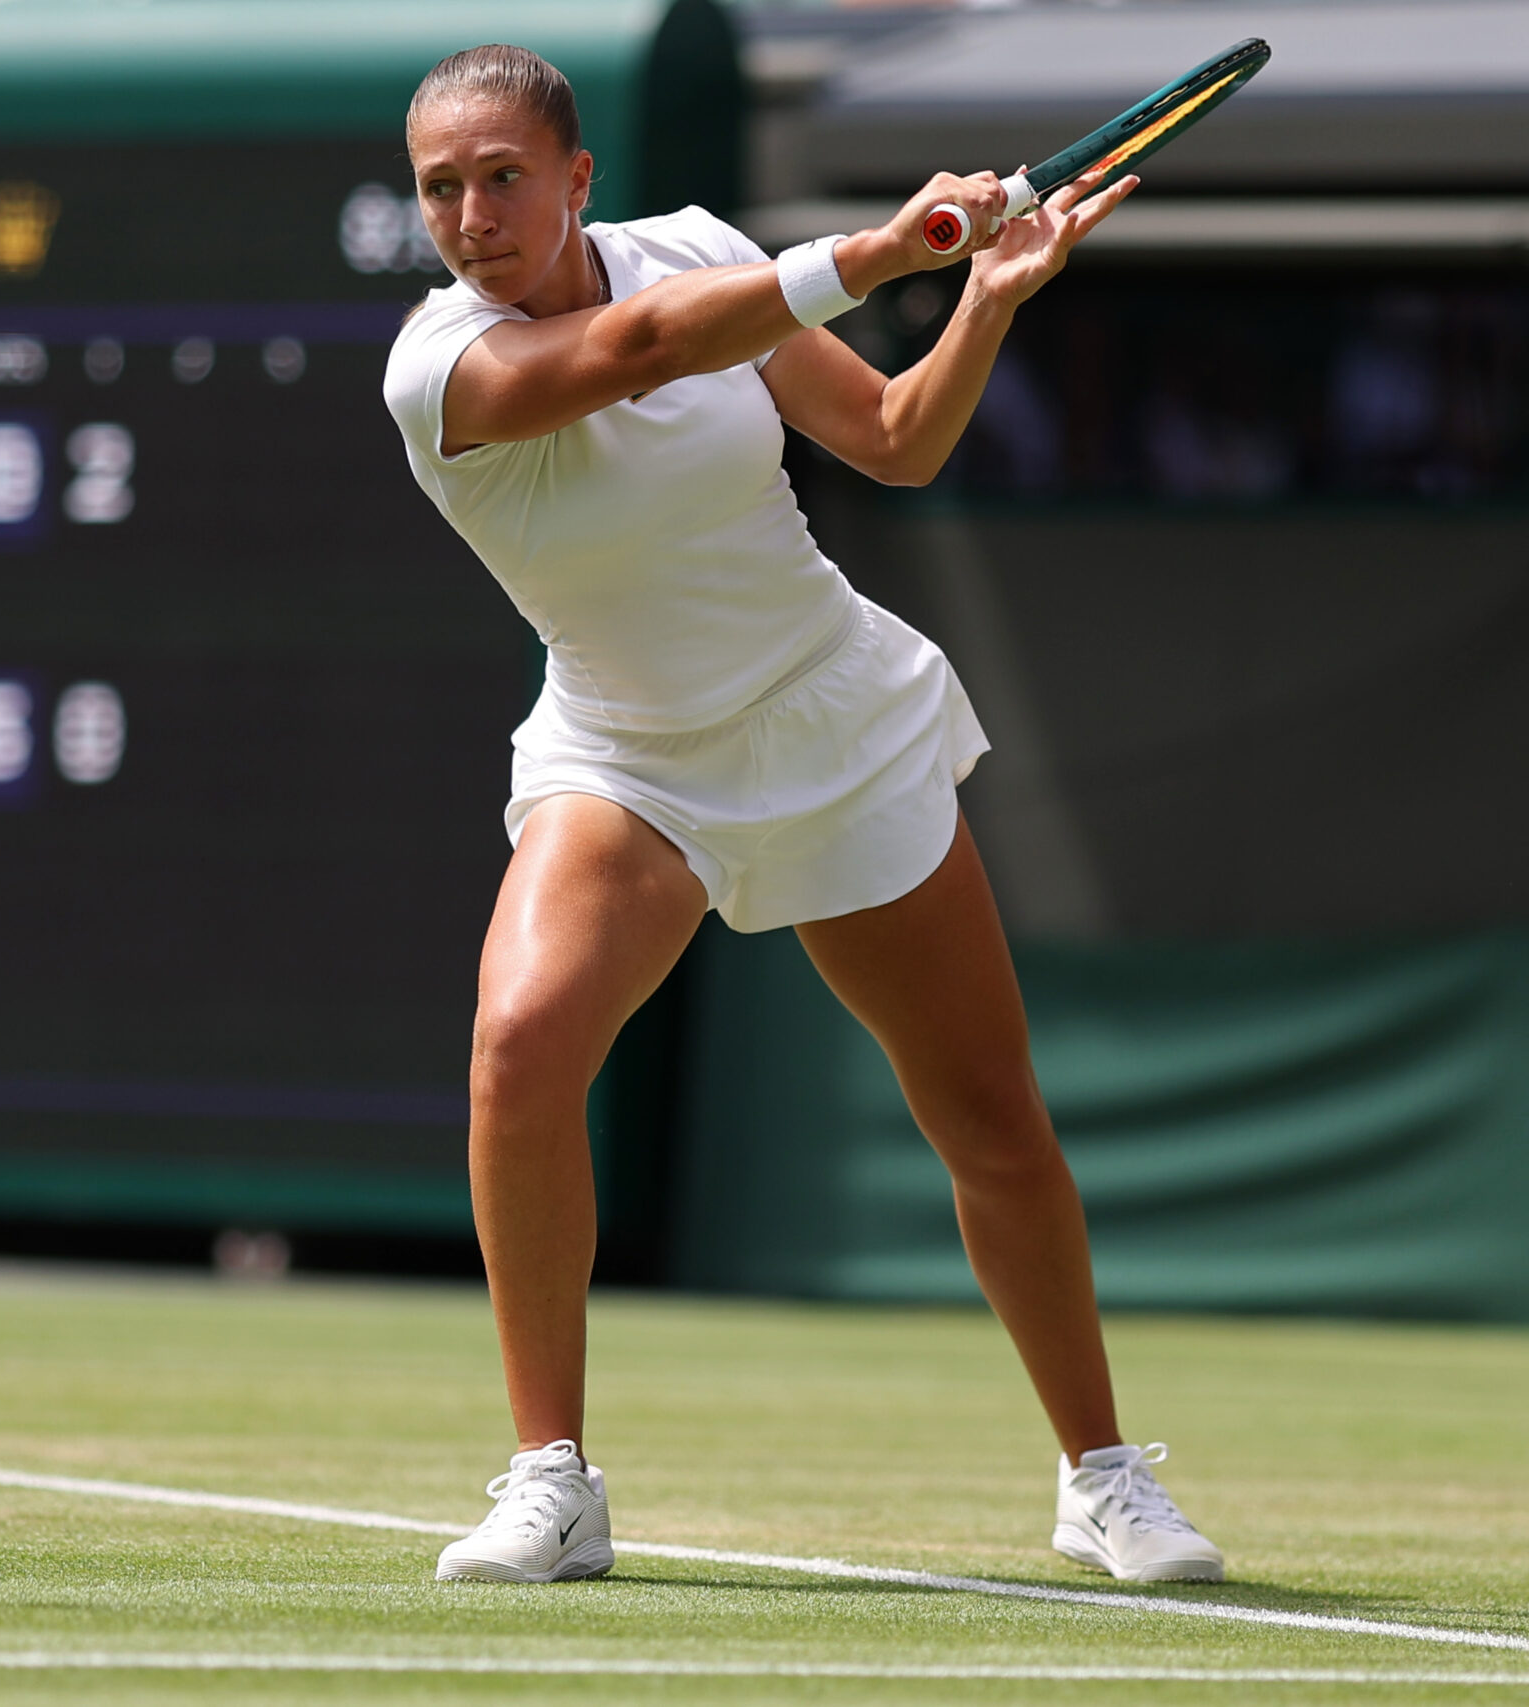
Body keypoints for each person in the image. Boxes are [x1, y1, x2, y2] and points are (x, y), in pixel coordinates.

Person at [382, 44, 1224, 1587]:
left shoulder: (706, 248)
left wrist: (979, 301)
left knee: (990, 1119)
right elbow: (636, 352)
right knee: (520, 1049)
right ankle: (550, 1481)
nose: (473, 213)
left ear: (580, 179)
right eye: (442, 186)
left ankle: (1104, 1477)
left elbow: (897, 438)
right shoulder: (440, 369)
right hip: (624, 758)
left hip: (831, 717)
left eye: (503, 176)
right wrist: (876, 251)